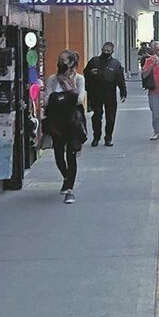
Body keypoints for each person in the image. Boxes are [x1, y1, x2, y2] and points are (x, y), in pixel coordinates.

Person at [43, 50, 87, 204]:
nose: (62, 63)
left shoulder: (79, 79)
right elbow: (46, 100)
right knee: (59, 156)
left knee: (71, 154)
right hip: (56, 122)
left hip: (73, 122)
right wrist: (60, 99)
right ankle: (67, 178)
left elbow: (80, 99)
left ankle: (69, 189)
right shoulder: (52, 79)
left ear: (72, 63)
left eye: (64, 60)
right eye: (60, 60)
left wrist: (69, 88)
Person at [82, 42, 127, 148]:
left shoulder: (116, 64)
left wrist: (123, 92)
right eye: (104, 50)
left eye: (108, 51)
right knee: (97, 116)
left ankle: (108, 138)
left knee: (110, 118)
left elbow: (120, 79)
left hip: (110, 94)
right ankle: (96, 137)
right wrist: (90, 73)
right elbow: (85, 73)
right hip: (96, 93)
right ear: (101, 49)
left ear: (112, 51)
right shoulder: (94, 61)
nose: (106, 52)